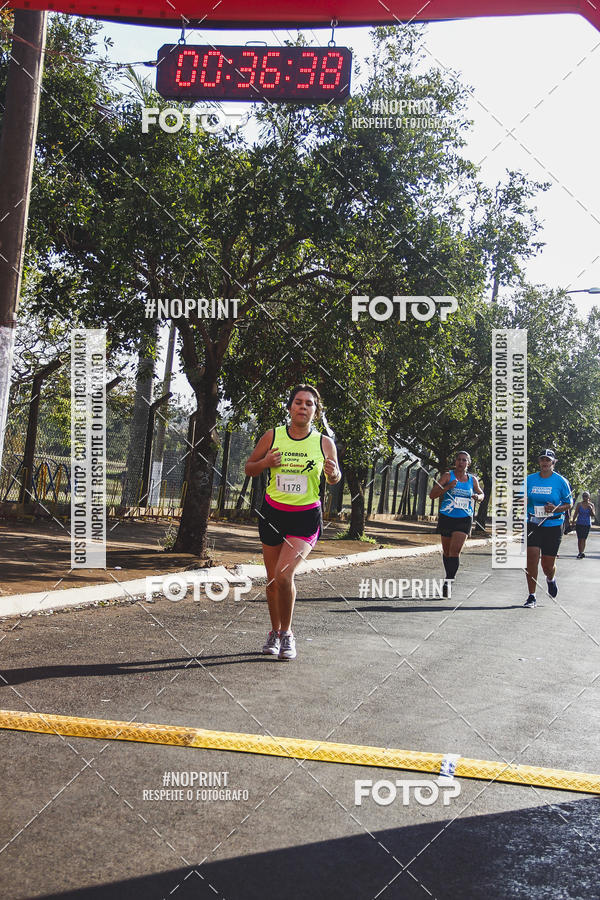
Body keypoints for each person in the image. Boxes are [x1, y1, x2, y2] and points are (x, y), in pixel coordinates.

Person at [244, 385, 341, 660]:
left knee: (285, 574)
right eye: (298, 402)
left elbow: (334, 478)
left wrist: (333, 474)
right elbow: (249, 468)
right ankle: (273, 632)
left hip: (305, 517)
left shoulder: (324, 442)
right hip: (273, 514)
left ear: (315, 411)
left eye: (309, 404)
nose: (303, 407)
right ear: (289, 408)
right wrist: (265, 462)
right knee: (273, 580)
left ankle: (287, 634)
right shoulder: (273, 435)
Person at [429, 451, 484, 597]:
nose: (461, 462)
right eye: (459, 459)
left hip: (464, 519)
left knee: (454, 551)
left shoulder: (472, 480)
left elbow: (482, 494)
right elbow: (432, 494)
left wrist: (478, 497)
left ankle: (449, 581)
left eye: (464, 460)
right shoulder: (448, 476)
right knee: (447, 552)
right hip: (447, 517)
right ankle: (449, 576)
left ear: (468, 463)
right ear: (455, 462)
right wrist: (447, 487)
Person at [524, 449, 573, 608]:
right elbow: (522, 499)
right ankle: (532, 596)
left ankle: (551, 579)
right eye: (542, 459)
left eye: (548, 460)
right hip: (534, 523)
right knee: (531, 558)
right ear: (539, 462)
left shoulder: (561, 481)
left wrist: (556, 508)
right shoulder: (530, 479)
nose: (545, 462)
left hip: (553, 525)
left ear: (553, 462)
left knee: (547, 565)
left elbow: (569, 504)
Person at [571, 491, 595, 558]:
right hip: (579, 523)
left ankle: (582, 552)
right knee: (579, 538)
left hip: (587, 524)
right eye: (583, 496)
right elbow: (575, 513)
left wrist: (590, 509)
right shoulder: (579, 504)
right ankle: (580, 552)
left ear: (589, 497)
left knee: (584, 539)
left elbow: (593, 515)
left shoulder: (591, 505)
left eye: (586, 496)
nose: (585, 497)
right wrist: (573, 522)